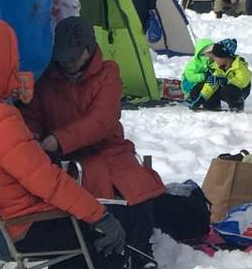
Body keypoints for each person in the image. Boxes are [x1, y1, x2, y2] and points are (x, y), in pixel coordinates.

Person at [0, 19, 128, 269]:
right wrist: (100, 216)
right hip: (22, 227)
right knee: (107, 240)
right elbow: (48, 182)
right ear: (2, 59)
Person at [20, 16, 166, 269]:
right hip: (63, 157)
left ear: (90, 49)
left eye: (74, 56)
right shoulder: (46, 78)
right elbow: (32, 115)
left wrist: (58, 139)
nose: (68, 62)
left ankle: (139, 250)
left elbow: (102, 120)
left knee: (136, 190)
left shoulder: (108, 72)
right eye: (63, 56)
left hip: (108, 150)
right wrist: (34, 137)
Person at [188, 38, 252, 111]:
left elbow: (242, 81)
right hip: (223, 88)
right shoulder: (218, 67)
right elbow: (210, 85)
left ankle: (237, 105)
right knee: (200, 87)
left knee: (228, 89)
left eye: (216, 57)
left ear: (225, 57)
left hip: (239, 91)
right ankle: (212, 105)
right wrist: (201, 98)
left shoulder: (239, 66)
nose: (214, 59)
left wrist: (226, 81)